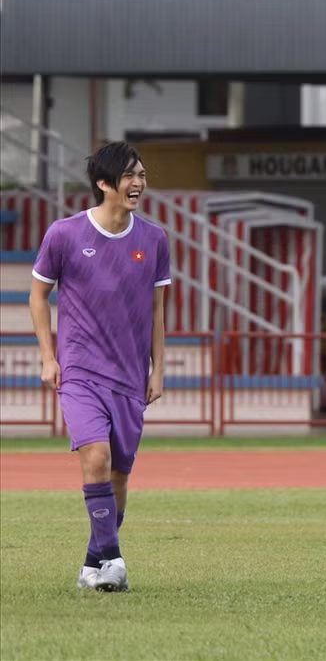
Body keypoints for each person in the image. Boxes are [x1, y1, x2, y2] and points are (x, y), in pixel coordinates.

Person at [30, 142, 171, 592]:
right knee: (96, 455)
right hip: (80, 370)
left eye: (142, 176)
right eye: (129, 176)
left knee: (120, 473)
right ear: (104, 183)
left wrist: (158, 368)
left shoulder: (154, 239)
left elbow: (157, 310)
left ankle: (94, 563)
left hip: (131, 374)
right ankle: (113, 560)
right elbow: (37, 296)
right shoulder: (64, 234)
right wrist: (49, 357)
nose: (138, 184)